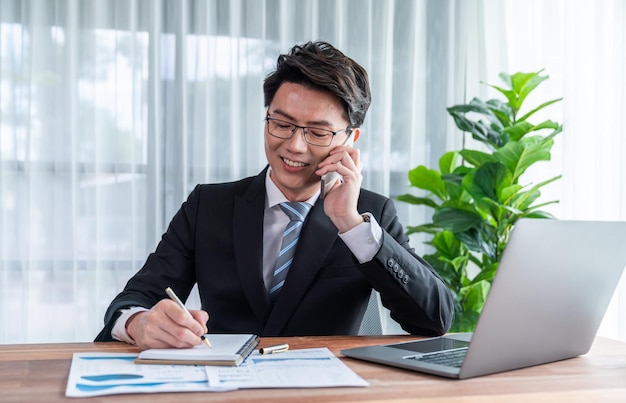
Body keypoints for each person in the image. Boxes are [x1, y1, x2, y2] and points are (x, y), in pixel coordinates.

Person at [95, 41, 454, 349]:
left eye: (317, 132)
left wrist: (350, 223)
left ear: (349, 140)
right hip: (225, 389)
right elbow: (133, 299)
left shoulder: (370, 212)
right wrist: (139, 323)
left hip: (326, 394)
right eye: (281, 124)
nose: (294, 146)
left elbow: (435, 319)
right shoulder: (209, 206)